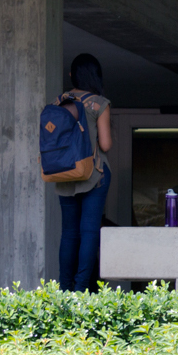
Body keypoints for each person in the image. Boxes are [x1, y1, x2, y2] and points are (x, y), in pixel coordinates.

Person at [53, 53, 112, 289]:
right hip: (94, 174)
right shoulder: (99, 103)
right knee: (89, 231)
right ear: (96, 76)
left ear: (71, 76)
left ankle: (65, 287)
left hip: (64, 173)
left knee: (69, 232)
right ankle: (81, 288)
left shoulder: (56, 103)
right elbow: (105, 145)